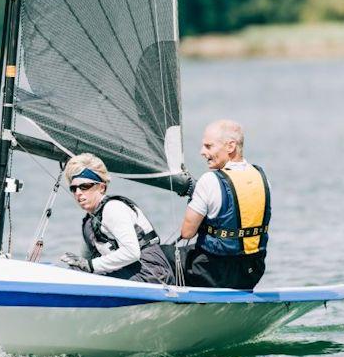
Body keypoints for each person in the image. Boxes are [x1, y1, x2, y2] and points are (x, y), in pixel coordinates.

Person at [176, 120, 270, 290]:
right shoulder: (261, 177)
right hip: (251, 273)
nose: (202, 152)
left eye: (208, 146)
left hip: (211, 273)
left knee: (156, 256)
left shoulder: (209, 180)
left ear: (230, 146)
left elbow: (187, 233)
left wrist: (194, 197)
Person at [59, 153, 174, 284]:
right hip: (128, 272)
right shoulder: (89, 222)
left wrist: (90, 266)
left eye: (84, 186)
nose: (78, 192)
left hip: (153, 274)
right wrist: (80, 265)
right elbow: (85, 261)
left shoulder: (113, 209)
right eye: (73, 188)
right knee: (75, 271)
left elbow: (132, 252)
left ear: (101, 187)